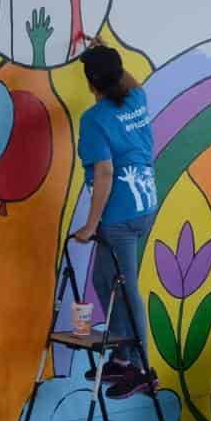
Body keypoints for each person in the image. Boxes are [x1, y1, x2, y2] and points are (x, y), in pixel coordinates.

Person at [72, 43, 159, 398]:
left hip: (120, 215)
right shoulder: (135, 100)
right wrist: (106, 54)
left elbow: (104, 173)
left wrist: (91, 225)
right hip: (145, 207)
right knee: (104, 279)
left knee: (124, 287)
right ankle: (122, 360)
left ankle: (141, 368)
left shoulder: (95, 120)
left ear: (92, 83)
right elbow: (133, 82)